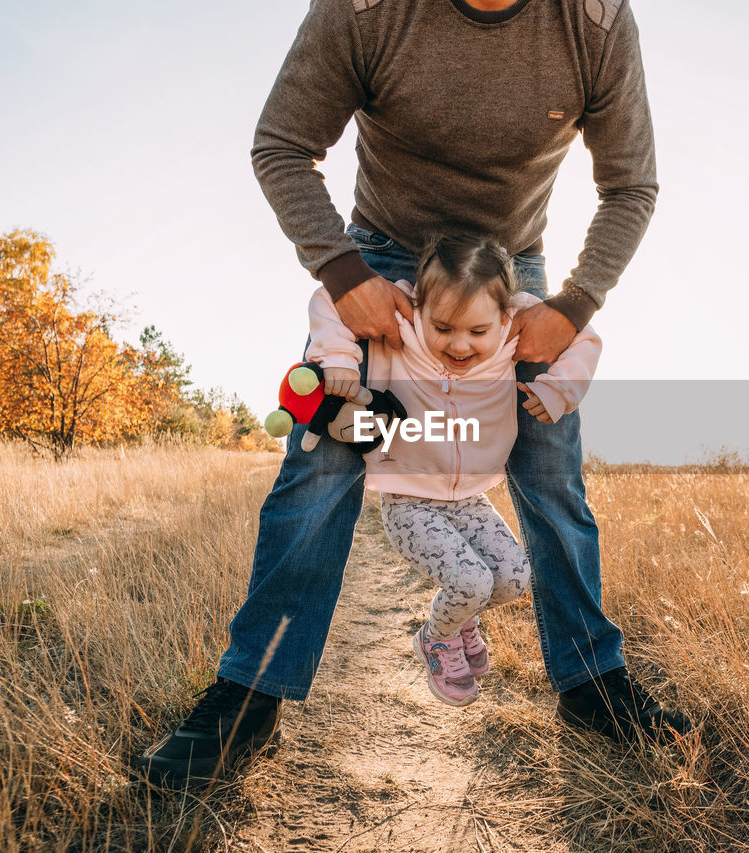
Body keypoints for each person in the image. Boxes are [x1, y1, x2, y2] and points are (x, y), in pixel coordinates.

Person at [137, 0, 690, 786]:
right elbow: (282, 146)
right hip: (379, 266)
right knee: (321, 465)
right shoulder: (366, 11)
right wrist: (344, 276)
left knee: (551, 465)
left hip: (509, 273)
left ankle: (592, 682)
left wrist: (572, 307)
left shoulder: (593, 21)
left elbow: (632, 185)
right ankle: (251, 693)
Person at [310, 235, 600, 708]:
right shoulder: (403, 322)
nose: (459, 344)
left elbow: (585, 336)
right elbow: (327, 299)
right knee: (472, 582)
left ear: (504, 317)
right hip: (408, 500)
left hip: (470, 499)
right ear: (420, 308)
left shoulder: (512, 327)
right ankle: (436, 637)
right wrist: (339, 358)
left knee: (513, 577)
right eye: (442, 327)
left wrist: (560, 389)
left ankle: (461, 619)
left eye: (476, 332)